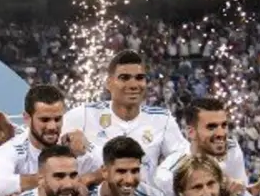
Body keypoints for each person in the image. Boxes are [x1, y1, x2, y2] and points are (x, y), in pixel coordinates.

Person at [61, 50, 188, 184]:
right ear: (108, 83)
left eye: (139, 78)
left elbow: (184, 157)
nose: (133, 85)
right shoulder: (83, 115)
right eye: (124, 78)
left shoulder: (162, 119)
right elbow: (49, 159)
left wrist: (159, 178)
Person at [0, 84, 98, 196]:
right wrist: (47, 179)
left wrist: (89, 178)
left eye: (57, 119)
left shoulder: (74, 143)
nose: (52, 126)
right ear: (27, 119)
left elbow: (110, 167)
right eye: (44, 120)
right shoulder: (12, 149)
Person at [152, 97, 249, 196]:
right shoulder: (168, 176)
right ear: (191, 132)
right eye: (211, 127)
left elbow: (242, 192)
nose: (221, 133)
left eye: (224, 125)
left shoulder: (232, 150)